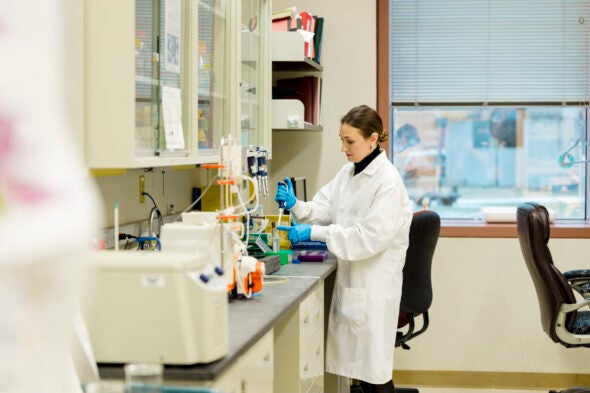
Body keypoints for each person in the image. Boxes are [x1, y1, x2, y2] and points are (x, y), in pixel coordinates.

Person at [276, 105, 412, 393]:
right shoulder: (348, 173)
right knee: (363, 372)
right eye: (342, 140)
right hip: (355, 283)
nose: (343, 148)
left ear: (373, 139)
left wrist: (313, 232)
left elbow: (367, 238)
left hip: (374, 286)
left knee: (375, 373)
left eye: (350, 141)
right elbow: (325, 207)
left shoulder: (388, 182)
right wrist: (295, 205)